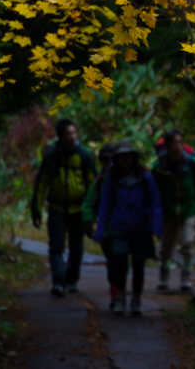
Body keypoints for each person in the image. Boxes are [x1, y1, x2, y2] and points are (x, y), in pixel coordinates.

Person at [95, 141, 162, 316]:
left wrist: (156, 227)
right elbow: (105, 205)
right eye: (122, 156)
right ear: (117, 159)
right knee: (120, 262)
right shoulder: (112, 179)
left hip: (142, 228)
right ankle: (120, 298)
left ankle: (136, 299)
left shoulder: (145, 177)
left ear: (134, 157)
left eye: (128, 156)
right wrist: (100, 230)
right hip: (120, 226)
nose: (126, 159)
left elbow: (156, 202)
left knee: (139, 264)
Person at [31, 119, 96, 298]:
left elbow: (93, 184)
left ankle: (72, 280)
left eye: (74, 133)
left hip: (78, 208)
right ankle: (59, 282)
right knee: (56, 247)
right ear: (60, 136)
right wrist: (36, 208)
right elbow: (42, 182)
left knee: (77, 247)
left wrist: (93, 211)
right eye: (68, 134)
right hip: (57, 207)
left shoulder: (84, 155)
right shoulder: (53, 155)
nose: (72, 137)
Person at [153, 129, 195, 294]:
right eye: (174, 143)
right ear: (167, 146)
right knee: (166, 246)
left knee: (187, 242)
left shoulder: (192, 163)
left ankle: (186, 276)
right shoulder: (159, 168)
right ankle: (164, 275)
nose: (177, 147)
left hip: (189, 209)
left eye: (180, 142)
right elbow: (153, 191)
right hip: (168, 211)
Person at [82, 143, 118, 309]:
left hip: (127, 227)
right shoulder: (99, 181)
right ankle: (116, 293)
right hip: (107, 229)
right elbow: (89, 203)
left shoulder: (131, 177)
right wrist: (88, 222)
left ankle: (121, 293)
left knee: (122, 261)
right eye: (104, 160)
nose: (108, 164)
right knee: (112, 262)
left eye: (110, 160)